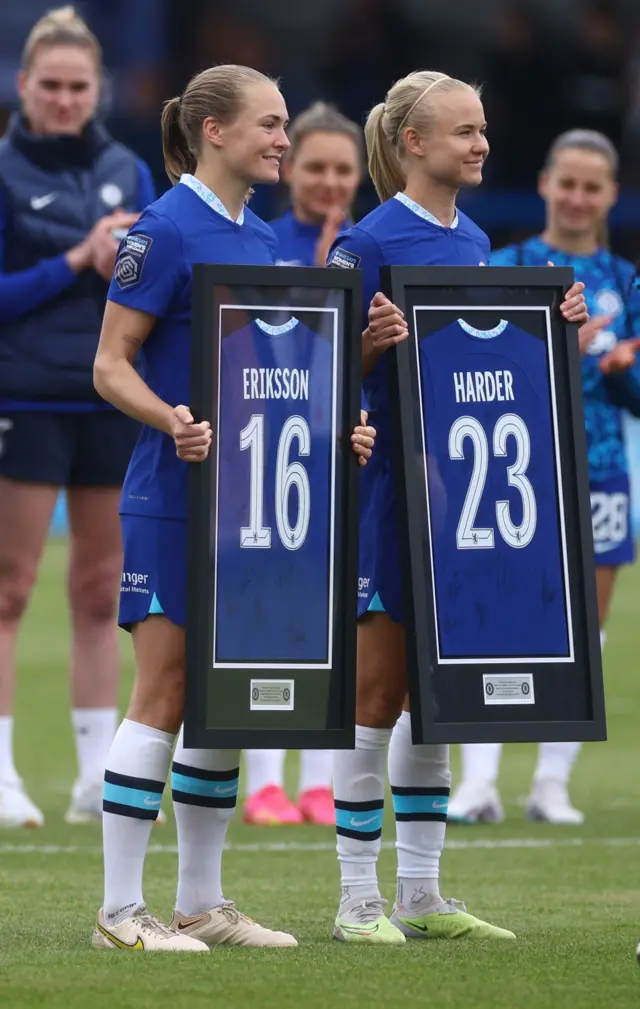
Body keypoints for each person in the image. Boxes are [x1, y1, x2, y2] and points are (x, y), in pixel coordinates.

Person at [92, 64, 376, 952]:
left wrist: (341, 426)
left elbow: (274, 377)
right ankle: (118, 913)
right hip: (175, 501)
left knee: (226, 701)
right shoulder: (165, 227)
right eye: (268, 123)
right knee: (165, 692)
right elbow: (110, 364)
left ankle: (201, 904)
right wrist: (168, 418)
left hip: (251, 505)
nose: (283, 139)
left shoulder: (258, 238)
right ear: (213, 130)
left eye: (285, 122)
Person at [326, 71, 588, 945]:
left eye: (483, 129)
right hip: (387, 499)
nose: (480, 144)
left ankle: (422, 894)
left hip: (460, 510)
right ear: (413, 144)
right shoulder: (364, 243)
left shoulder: (475, 240)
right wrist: (360, 349)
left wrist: (556, 328)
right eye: (464, 131)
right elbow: (321, 384)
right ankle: (358, 897)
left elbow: (486, 375)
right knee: (376, 693)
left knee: (437, 695)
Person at [448, 129, 640, 828]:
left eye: (594, 187)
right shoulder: (504, 267)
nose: (580, 198)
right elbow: (475, 369)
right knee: (494, 616)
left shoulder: (627, 283)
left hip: (601, 471)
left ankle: (551, 784)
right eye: (569, 183)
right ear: (545, 184)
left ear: (612, 195)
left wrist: (626, 372)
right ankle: (478, 780)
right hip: (510, 470)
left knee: (585, 626)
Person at [0, 5, 155, 828]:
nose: (63, 100)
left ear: (100, 90)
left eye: (78, 87)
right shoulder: (3, 170)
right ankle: (3, 774)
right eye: (49, 85)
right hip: (23, 396)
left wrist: (131, 257)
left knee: (102, 589)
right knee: (11, 588)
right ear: (24, 85)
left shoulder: (130, 171)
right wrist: (76, 259)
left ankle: (98, 774)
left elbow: (162, 279)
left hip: (109, 395)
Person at [243, 101, 364, 828]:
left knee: (332, 615)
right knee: (261, 611)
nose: (328, 181)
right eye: (314, 166)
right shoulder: (261, 243)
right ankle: (264, 781)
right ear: (289, 168)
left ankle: (320, 778)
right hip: (261, 451)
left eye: (342, 168)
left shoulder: (366, 246)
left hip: (338, 450)